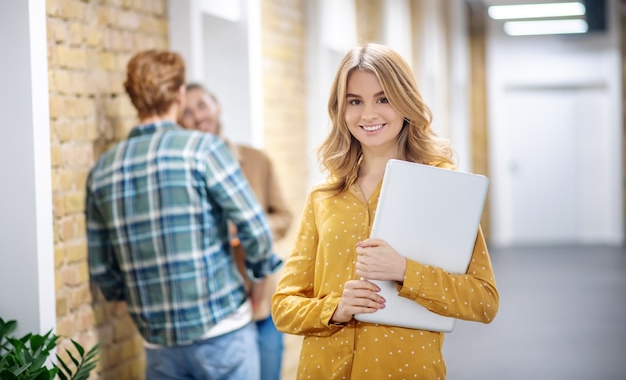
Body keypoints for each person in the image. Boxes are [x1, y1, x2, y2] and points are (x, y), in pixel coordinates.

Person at [271, 43, 499, 380]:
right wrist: (334, 308)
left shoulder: (442, 188)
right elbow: (283, 307)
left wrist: (406, 271)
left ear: (405, 102)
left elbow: (483, 301)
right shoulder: (324, 195)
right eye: (355, 101)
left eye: (383, 98)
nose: (368, 115)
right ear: (341, 109)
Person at [85, 50, 282, 380]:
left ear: (134, 100)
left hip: (158, 341)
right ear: (178, 94)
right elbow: (257, 229)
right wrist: (258, 278)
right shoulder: (203, 150)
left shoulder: (103, 170)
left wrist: (124, 294)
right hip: (223, 331)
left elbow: (103, 267)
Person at [179, 84, 293, 380]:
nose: (197, 116)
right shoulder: (183, 172)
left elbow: (284, 215)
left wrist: (252, 228)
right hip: (215, 308)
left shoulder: (257, 160)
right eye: (187, 112)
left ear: (217, 106)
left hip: (260, 299)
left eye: (202, 105)